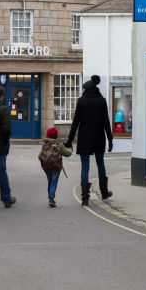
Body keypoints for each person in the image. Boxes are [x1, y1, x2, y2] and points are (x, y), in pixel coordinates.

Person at [65, 75, 114, 205]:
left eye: (83, 89)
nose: (82, 91)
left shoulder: (81, 101)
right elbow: (106, 122)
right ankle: (104, 192)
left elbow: (75, 122)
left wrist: (69, 141)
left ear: (87, 89)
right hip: (99, 137)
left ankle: (85, 197)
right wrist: (110, 139)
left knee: (85, 166)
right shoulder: (102, 101)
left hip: (84, 138)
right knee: (100, 163)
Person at [38, 126, 72, 208]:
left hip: (47, 167)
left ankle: (50, 197)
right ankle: (51, 198)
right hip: (56, 167)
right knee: (54, 182)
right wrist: (70, 150)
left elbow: (39, 156)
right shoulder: (59, 145)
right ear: (56, 136)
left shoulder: (45, 145)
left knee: (50, 180)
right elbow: (68, 154)